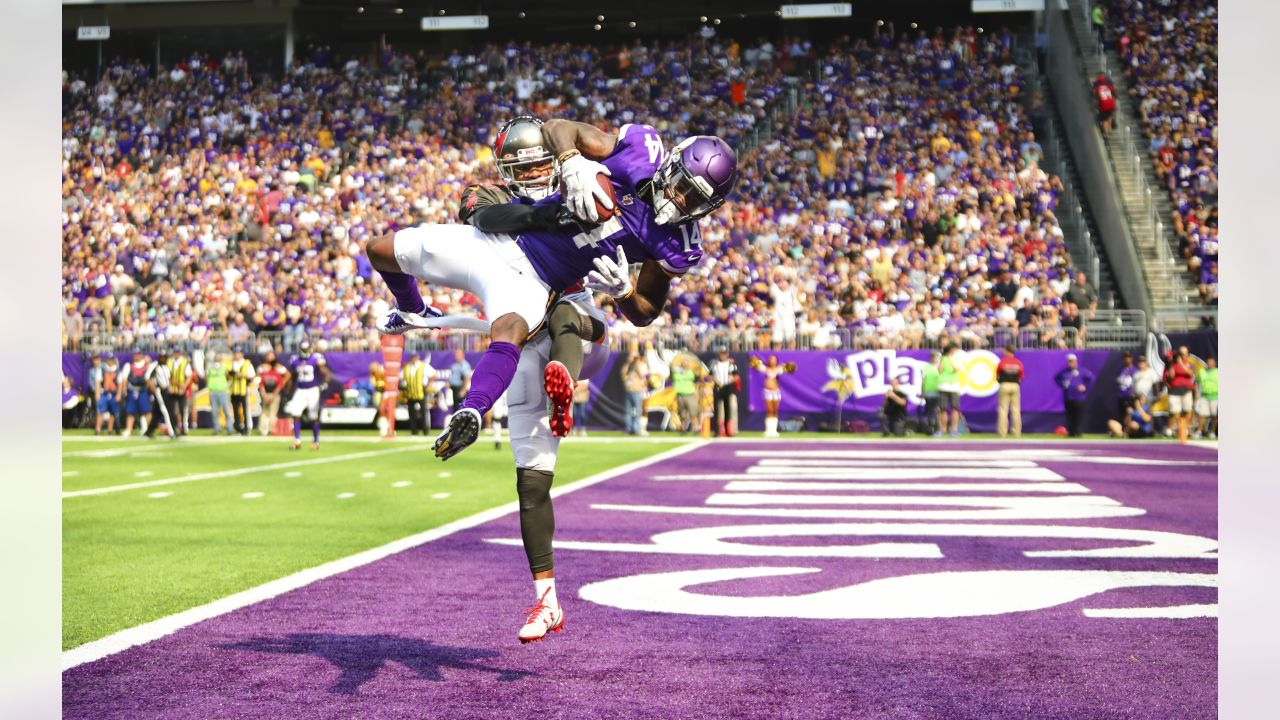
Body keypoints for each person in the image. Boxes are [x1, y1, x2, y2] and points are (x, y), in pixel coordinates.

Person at [363, 118, 737, 460]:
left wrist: (624, 291)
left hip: (554, 285)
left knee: (526, 328)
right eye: (682, 184)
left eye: (695, 198)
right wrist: (572, 161)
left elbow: (645, 311)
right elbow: (499, 203)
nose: (680, 199)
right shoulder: (636, 152)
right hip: (502, 250)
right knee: (381, 249)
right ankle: (413, 310)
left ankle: (479, 408)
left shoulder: (677, 242)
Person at [285, 340, 329, 450]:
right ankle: (297, 440)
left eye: (306, 349)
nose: (305, 351)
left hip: (313, 389)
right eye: (303, 349)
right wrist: (288, 390)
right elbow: (291, 376)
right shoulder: (295, 360)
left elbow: (326, 373)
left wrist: (324, 384)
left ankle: (315, 441)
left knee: (313, 416)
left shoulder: (316, 359)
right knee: (296, 414)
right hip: (300, 389)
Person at [750, 355, 797, 437]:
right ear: (769, 360)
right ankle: (768, 430)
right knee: (769, 411)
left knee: (775, 411)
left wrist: (791, 366)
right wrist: (754, 361)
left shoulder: (779, 369)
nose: (773, 361)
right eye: (771, 359)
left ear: (776, 361)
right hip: (768, 392)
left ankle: (774, 431)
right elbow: (754, 364)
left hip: (776, 392)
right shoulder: (765, 368)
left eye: (774, 359)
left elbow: (792, 368)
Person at [1055, 353, 1095, 438]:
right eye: (1069, 361)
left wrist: (1085, 386)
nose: (1071, 363)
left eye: (1072, 361)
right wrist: (1062, 385)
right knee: (1070, 415)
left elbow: (1091, 378)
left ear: (1076, 361)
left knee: (1078, 416)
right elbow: (1056, 378)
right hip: (1068, 397)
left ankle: (1078, 432)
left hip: (1079, 397)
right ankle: (1071, 432)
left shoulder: (1081, 370)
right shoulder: (1064, 371)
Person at [1164, 346, 1196, 444]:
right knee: (1174, 411)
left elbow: (1191, 374)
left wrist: (1181, 363)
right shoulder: (1172, 364)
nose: (1182, 356)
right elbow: (1171, 376)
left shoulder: (1189, 364)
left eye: (1184, 354)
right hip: (1174, 390)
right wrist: (1173, 364)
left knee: (1187, 410)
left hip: (1186, 390)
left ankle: (1184, 429)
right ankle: (1170, 429)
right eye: (1181, 354)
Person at [995, 346, 1025, 439]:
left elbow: (997, 375)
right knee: (1016, 410)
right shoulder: (1018, 363)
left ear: (1008, 352)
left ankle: (1002, 433)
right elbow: (1021, 376)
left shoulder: (1002, 362)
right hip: (1015, 386)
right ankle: (1017, 433)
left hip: (1004, 385)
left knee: (1003, 409)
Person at [257, 351, 289, 436]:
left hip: (274, 393)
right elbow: (260, 381)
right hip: (266, 393)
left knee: (272, 413)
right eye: (269, 356)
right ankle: (264, 429)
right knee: (265, 412)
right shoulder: (263, 368)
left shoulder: (278, 369)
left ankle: (271, 429)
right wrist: (264, 394)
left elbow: (286, 376)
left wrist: (283, 384)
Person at [709, 348, 740, 437]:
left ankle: (730, 429)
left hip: (729, 387)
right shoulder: (714, 364)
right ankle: (719, 430)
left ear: (727, 354)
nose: (723, 355)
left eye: (724, 353)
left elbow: (737, 376)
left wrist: (733, 379)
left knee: (731, 408)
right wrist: (717, 381)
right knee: (719, 409)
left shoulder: (731, 364)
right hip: (718, 387)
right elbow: (709, 375)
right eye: (721, 353)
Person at [166, 349, 195, 436]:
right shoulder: (169, 362)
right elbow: (166, 375)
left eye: (177, 352)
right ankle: (174, 428)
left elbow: (189, 376)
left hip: (181, 389)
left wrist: (184, 387)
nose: (176, 354)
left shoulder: (185, 362)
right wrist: (169, 386)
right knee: (172, 410)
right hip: (171, 389)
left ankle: (184, 428)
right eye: (175, 352)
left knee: (183, 410)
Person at [621, 350, 649, 436]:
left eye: (634, 357)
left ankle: (636, 428)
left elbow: (642, 375)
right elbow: (622, 372)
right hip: (629, 391)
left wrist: (636, 362)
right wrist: (629, 362)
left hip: (637, 391)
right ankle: (629, 429)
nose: (633, 358)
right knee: (628, 411)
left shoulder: (640, 364)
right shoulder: (628, 366)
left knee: (638, 411)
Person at [937, 345, 963, 437]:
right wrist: (942, 359)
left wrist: (950, 359)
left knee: (955, 409)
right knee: (943, 409)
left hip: (954, 386)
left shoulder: (958, 357)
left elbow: (956, 369)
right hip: (943, 386)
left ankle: (954, 430)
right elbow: (939, 370)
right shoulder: (943, 358)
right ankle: (942, 430)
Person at [229, 349, 256, 436]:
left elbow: (252, 376)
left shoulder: (247, 363)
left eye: (238, 353)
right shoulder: (233, 363)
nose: (236, 355)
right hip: (234, 390)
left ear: (241, 354)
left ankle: (247, 428)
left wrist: (242, 376)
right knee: (235, 410)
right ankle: (238, 428)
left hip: (244, 389)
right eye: (235, 353)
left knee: (245, 410)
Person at [671, 356, 701, 435]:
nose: (685, 365)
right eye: (683, 364)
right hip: (680, 395)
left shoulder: (690, 372)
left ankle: (695, 428)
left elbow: (696, 378)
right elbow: (672, 370)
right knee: (682, 413)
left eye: (686, 364)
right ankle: (683, 429)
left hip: (690, 394)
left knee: (693, 413)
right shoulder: (676, 373)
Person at [206, 353, 233, 436]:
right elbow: (206, 377)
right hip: (213, 392)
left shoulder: (224, 367)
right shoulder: (210, 368)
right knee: (215, 412)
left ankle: (229, 429)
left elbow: (229, 377)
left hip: (223, 391)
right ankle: (217, 429)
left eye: (219, 357)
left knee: (227, 411)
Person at [402, 354, 429, 436]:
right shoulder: (407, 366)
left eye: (414, 357)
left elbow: (434, 375)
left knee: (423, 413)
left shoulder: (423, 366)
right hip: (410, 393)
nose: (413, 358)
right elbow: (402, 379)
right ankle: (414, 431)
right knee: (411, 413)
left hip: (421, 393)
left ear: (418, 357)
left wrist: (427, 385)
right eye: (412, 357)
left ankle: (425, 431)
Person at [94, 354, 120, 435]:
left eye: (111, 359)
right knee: (101, 411)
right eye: (109, 359)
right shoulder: (102, 369)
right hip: (104, 393)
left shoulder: (117, 370)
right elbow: (98, 381)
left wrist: (119, 394)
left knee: (112, 412)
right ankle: (98, 429)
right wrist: (97, 393)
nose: (110, 361)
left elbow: (119, 383)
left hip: (113, 392)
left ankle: (110, 429)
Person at [1195, 356, 1218, 438]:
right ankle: (1199, 431)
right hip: (1204, 396)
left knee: (1215, 415)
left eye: (1212, 362)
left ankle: (1212, 431)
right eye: (1208, 362)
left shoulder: (1218, 372)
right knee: (1203, 415)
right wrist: (1197, 394)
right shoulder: (1201, 372)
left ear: (1215, 363)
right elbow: (1196, 382)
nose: (1210, 364)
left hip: (1216, 397)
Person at [920, 350, 941, 437]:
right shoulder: (926, 367)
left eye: (935, 356)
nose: (933, 358)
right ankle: (931, 428)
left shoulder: (941, 367)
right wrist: (923, 392)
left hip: (939, 392)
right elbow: (923, 381)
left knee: (937, 411)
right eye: (932, 356)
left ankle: (938, 428)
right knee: (929, 411)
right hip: (929, 392)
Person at [1114, 351, 1138, 423]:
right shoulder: (1121, 369)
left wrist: (1133, 393)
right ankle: (1122, 430)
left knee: (1129, 413)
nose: (1127, 359)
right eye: (1125, 357)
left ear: (1131, 359)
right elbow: (1117, 380)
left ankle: (1128, 430)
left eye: (1128, 357)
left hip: (1129, 395)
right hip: (1121, 395)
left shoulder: (1134, 369)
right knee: (1121, 413)